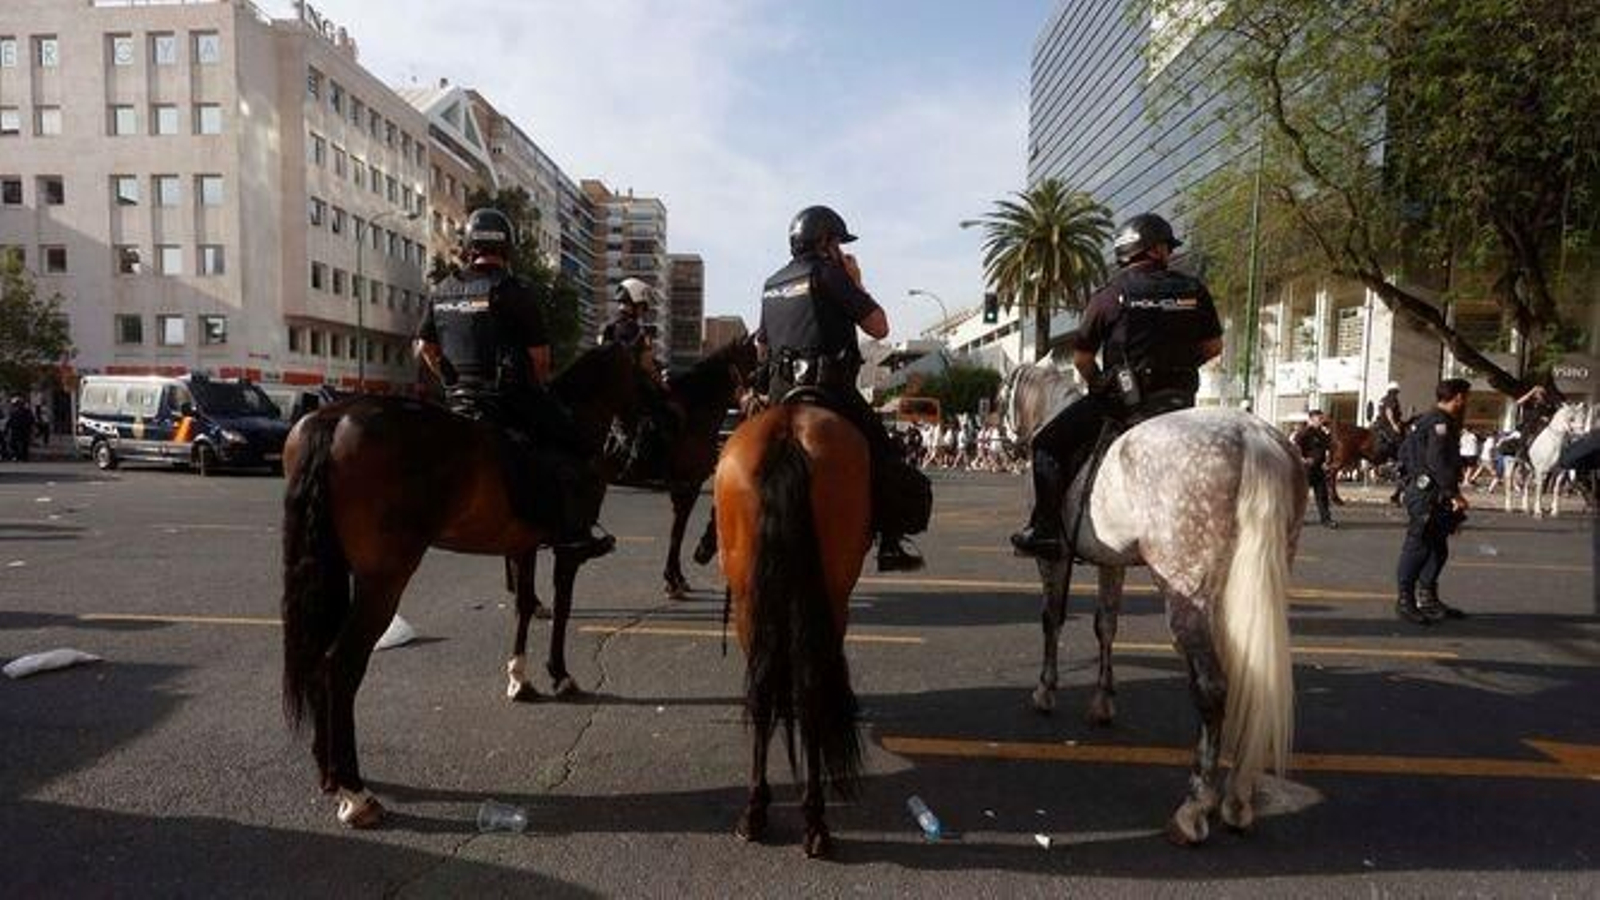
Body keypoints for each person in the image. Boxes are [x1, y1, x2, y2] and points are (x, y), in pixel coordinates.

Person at [1010, 212, 1223, 559]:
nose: (1169, 253)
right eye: (1167, 247)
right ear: (1155, 250)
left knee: (1047, 444)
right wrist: (1177, 367)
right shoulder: (1193, 289)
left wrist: (1102, 386)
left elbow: (1082, 359)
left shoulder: (1108, 296)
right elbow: (1213, 348)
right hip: (1180, 400)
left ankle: (1045, 529)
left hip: (1127, 402)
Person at [414, 207, 614, 559]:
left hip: (458, 402)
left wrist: (449, 381)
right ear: (507, 249)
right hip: (506, 399)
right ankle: (573, 533)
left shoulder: (442, 289)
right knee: (578, 447)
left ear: (468, 246)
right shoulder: (515, 290)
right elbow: (540, 359)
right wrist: (541, 391)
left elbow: (425, 348)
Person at [755, 205, 928, 571]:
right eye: (838, 242)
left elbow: (763, 348)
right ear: (825, 242)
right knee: (887, 456)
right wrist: (855, 281)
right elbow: (879, 327)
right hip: (829, 391)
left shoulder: (771, 284)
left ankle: (716, 532)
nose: (841, 249)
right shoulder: (829, 273)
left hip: (778, 393)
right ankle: (891, 543)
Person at [1394, 378, 1473, 625]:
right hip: (1427, 494)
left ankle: (1427, 598)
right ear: (1458, 397)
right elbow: (1438, 462)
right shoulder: (1438, 422)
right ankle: (1405, 601)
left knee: (1438, 547)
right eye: (1465, 397)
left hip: (1433, 493)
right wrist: (1454, 494)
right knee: (1418, 547)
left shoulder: (1429, 420)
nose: (1466, 402)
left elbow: (1406, 452)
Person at [601, 278, 677, 483]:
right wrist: (662, 384)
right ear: (635, 303)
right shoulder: (636, 331)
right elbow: (646, 364)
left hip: (612, 389)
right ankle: (646, 469)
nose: (644, 311)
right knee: (667, 414)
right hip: (635, 390)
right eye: (643, 307)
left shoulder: (608, 328)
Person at [1294, 410, 1337, 528]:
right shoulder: (1304, 433)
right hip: (1306, 469)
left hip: (1319, 469)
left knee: (1322, 495)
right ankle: (1297, 519)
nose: (1321, 421)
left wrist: (1328, 462)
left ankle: (1326, 520)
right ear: (1311, 419)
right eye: (1319, 419)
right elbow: (1295, 447)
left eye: (1322, 418)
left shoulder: (1322, 433)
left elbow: (1329, 447)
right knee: (1301, 496)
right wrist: (1302, 459)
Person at [4, 396, 35, 462]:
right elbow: (10, 421)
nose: (16, 406)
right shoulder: (14, 412)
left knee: (23, 444)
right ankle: (18, 456)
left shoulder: (26, 411)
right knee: (14, 443)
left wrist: (31, 428)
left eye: (17, 404)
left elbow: (31, 420)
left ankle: (23, 457)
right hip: (17, 430)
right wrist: (6, 430)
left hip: (23, 430)